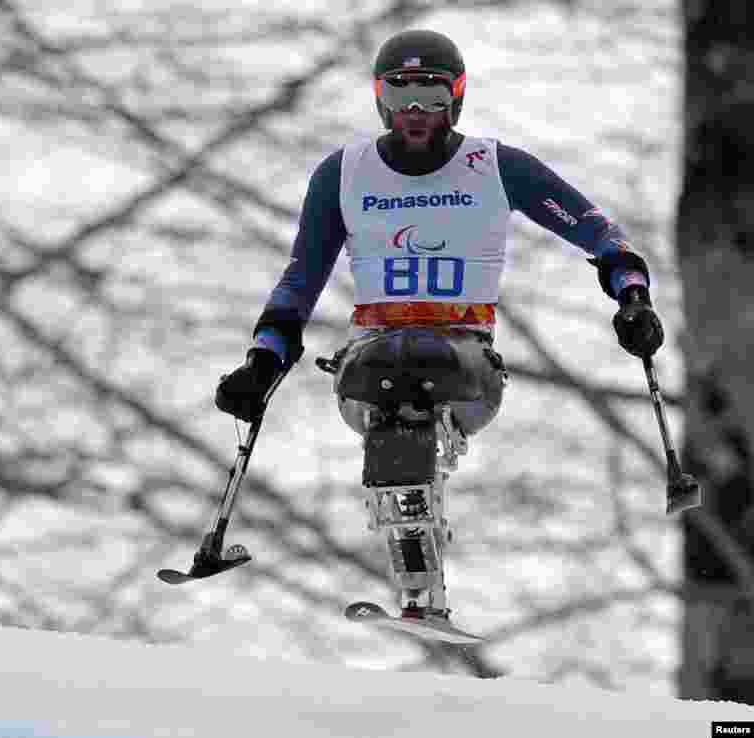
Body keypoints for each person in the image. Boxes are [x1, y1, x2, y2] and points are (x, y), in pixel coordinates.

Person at [214, 29, 664, 627]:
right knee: (387, 365)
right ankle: (411, 560)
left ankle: (425, 568)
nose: (416, 113)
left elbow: (596, 229)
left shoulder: (494, 166)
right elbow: (302, 275)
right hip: (371, 350)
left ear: (457, 97)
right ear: (379, 98)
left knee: (421, 362)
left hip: (465, 351)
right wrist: (262, 360)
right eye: (400, 96)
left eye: (431, 94)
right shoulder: (344, 173)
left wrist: (630, 294)